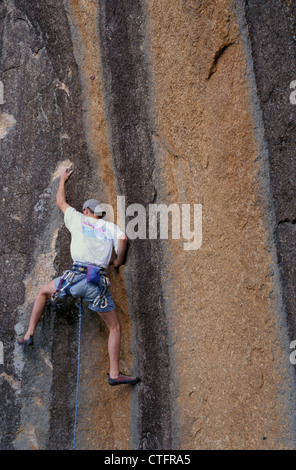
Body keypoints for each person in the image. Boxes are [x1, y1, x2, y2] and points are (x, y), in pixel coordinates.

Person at [18, 167, 140, 387]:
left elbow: (60, 202)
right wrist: (118, 261)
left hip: (73, 281)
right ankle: (114, 373)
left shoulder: (78, 219)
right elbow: (122, 239)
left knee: (43, 291)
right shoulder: (108, 226)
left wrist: (63, 180)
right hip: (96, 285)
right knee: (114, 328)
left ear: (86, 210)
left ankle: (28, 334)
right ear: (98, 214)